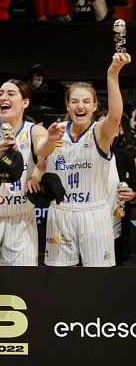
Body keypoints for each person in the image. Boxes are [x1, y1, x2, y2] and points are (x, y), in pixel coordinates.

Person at [42, 52, 131, 267]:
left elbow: (115, 116)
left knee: (98, 279)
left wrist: (112, 74)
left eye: (86, 101)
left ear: (94, 106)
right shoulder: (56, 131)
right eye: (74, 101)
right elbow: (40, 156)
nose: (79, 106)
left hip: (94, 213)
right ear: (67, 106)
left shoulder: (100, 132)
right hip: (61, 213)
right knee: (60, 278)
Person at [0, 79, 64, 266]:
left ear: (25, 102)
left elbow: (42, 149)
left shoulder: (35, 129)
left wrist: (51, 139)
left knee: (22, 281)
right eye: (0, 93)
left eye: (10, 94)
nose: (3, 97)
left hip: (21, 220)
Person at [111, 119, 136, 265]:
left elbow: (134, 191)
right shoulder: (83, 157)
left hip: (117, 232)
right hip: (86, 228)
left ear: (119, 131)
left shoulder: (125, 157)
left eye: (115, 125)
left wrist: (132, 196)